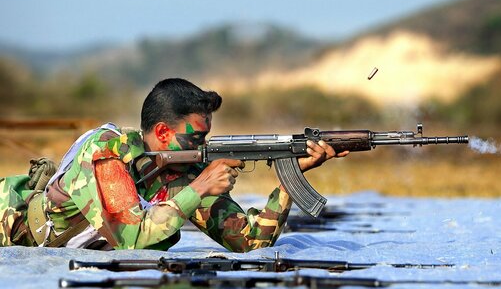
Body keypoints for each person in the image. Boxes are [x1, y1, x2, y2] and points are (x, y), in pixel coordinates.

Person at [0, 78, 348, 251]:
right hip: (10, 230)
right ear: (164, 132)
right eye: (196, 138)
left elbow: (250, 241)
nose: (203, 147)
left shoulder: (184, 174)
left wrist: (291, 178)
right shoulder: (106, 150)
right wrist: (199, 189)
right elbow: (129, 236)